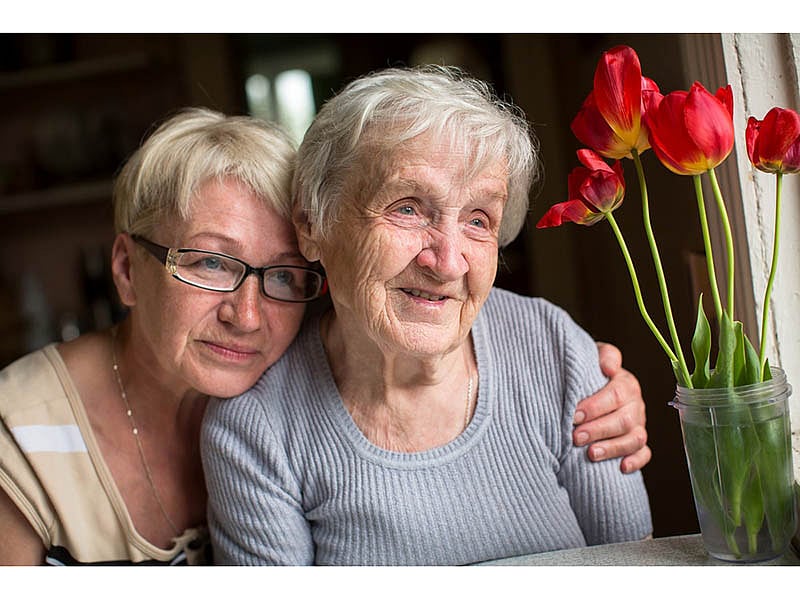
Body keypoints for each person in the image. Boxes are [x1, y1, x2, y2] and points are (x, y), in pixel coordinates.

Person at [201, 65, 653, 566]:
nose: (447, 261)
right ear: (313, 224)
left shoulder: (553, 348)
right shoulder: (256, 434)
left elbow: (632, 567)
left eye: (478, 220)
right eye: (408, 208)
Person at [0, 108, 326, 564]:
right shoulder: (18, 436)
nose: (248, 316)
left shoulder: (319, 413)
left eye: (285, 275)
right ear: (127, 269)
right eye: (210, 263)